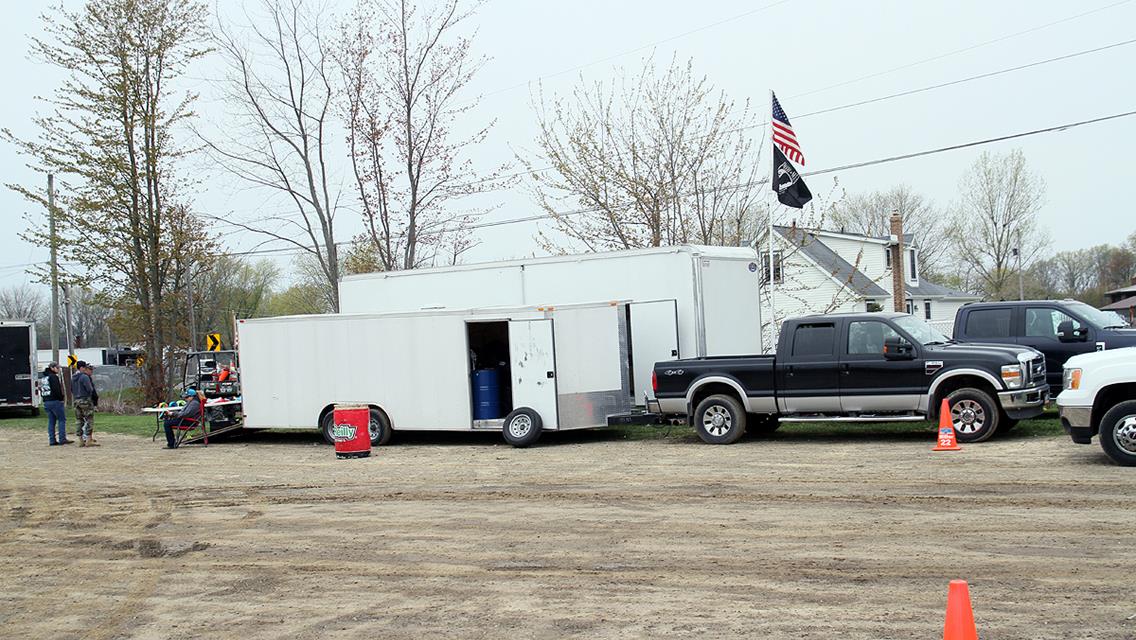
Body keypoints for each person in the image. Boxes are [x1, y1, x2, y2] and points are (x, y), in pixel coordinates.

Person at [42, 362, 71, 446]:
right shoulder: (53, 377)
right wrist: (61, 398)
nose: (58, 369)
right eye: (57, 368)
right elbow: (56, 389)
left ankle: (52, 440)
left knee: (51, 421)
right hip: (55, 401)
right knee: (61, 420)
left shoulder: (44, 377)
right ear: (52, 368)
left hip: (46, 401)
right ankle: (62, 439)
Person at [71, 361, 98, 448]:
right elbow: (90, 389)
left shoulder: (73, 377)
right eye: (85, 367)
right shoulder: (84, 377)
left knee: (79, 420)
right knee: (89, 419)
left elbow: (71, 389)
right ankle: (89, 440)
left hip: (76, 400)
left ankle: (80, 440)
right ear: (81, 368)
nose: (86, 369)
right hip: (85, 399)